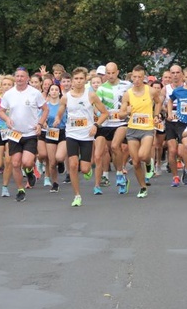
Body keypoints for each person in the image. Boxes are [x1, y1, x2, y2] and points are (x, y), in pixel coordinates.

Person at [54, 67, 108, 206]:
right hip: (71, 134)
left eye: (81, 79)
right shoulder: (66, 97)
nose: (78, 81)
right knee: (72, 164)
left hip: (87, 135)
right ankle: (77, 195)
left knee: (85, 168)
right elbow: (60, 112)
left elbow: (104, 113)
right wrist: (58, 119)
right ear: (72, 81)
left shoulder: (91, 95)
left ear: (85, 81)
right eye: (76, 79)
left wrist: (96, 125)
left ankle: (87, 170)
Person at [0, 67, 48, 202]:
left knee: (26, 162)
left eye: (22, 76)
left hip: (30, 133)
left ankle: (30, 171)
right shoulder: (9, 94)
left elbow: (45, 109)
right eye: (17, 76)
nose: (19, 78)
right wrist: (7, 119)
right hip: (15, 134)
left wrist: (39, 124)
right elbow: (1, 110)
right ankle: (21, 189)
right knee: (15, 163)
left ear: (27, 79)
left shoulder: (34, 93)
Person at [120, 65, 162, 198]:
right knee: (136, 161)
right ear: (131, 77)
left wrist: (156, 115)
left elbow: (159, 102)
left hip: (147, 129)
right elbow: (121, 114)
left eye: (139, 77)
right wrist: (125, 112)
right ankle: (143, 187)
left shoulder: (150, 91)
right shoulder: (128, 94)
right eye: (134, 77)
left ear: (144, 78)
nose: (137, 79)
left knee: (143, 156)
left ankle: (149, 164)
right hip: (132, 129)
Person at [94, 62, 131, 192]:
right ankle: (103, 181)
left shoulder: (127, 85)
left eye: (113, 73)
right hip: (106, 124)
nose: (110, 75)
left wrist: (129, 109)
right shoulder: (102, 88)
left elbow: (134, 99)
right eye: (108, 73)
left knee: (115, 146)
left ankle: (120, 174)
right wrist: (100, 113)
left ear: (117, 72)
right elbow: (96, 105)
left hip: (121, 122)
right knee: (103, 152)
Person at [38, 83, 66, 193]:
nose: (54, 91)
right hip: (50, 133)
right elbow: (41, 117)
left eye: (56, 89)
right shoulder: (46, 105)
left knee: (59, 157)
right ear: (49, 92)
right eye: (52, 89)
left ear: (59, 92)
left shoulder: (63, 105)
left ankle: (61, 162)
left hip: (62, 132)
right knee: (52, 161)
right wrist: (43, 123)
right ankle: (55, 183)